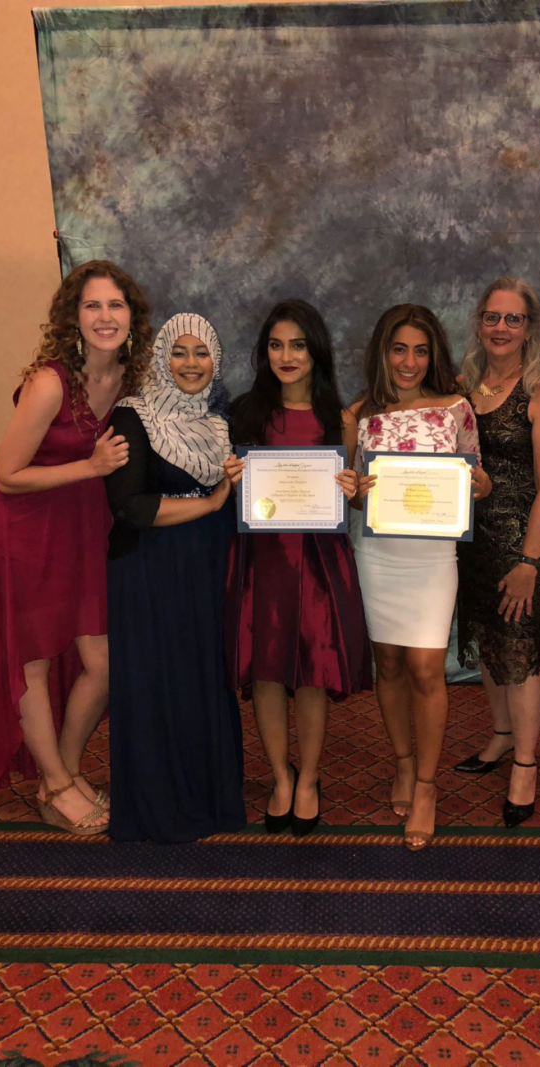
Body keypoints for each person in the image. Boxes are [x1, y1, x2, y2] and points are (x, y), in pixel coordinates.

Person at [0, 260, 153, 836]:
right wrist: (91, 466)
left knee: (103, 662)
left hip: (79, 529)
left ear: (132, 317)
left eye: (116, 305)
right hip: (21, 530)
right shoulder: (50, 382)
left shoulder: (129, 378)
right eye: (92, 305)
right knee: (35, 660)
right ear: (73, 317)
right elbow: (7, 476)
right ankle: (54, 782)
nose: (105, 316)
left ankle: (63, 772)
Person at [224, 299, 371, 836]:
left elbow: (354, 498)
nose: (286, 356)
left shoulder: (341, 419)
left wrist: (354, 491)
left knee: (312, 672)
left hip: (318, 562)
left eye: (298, 345)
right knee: (266, 672)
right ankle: (279, 778)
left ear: (317, 351)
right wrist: (232, 481)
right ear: (264, 352)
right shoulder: (245, 413)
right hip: (262, 560)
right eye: (276, 345)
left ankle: (308, 777)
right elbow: (233, 494)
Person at [351, 304, 490, 850]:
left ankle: (427, 786)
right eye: (399, 349)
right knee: (387, 662)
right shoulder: (360, 414)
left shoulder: (456, 408)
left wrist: (481, 486)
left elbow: (477, 475)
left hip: (432, 557)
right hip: (377, 553)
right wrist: (355, 491)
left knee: (428, 668)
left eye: (420, 351)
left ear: (434, 356)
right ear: (382, 352)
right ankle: (403, 763)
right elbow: (352, 492)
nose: (409, 362)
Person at [104, 313, 247, 842]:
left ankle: (208, 794)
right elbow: (129, 506)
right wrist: (210, 503)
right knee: (158, 676)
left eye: (201, 352)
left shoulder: (218, 421)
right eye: (178, 352)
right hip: (150, 567)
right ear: (161, 358)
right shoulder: (133, 416)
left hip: (207, 562)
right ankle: (160, 803)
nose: (190, 363)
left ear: (216, 360)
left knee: (202, 672)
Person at [455, 278, 540, 827]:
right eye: (492, 317)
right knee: (489, 641)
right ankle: (501, 736)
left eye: (513, 319)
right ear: (479, 322)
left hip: (527, 543)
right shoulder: (465, 386)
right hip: (474, 540)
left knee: (521, 653)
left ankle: (526, 764)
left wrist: (528, 563)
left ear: (529, 328)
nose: (500, 328)